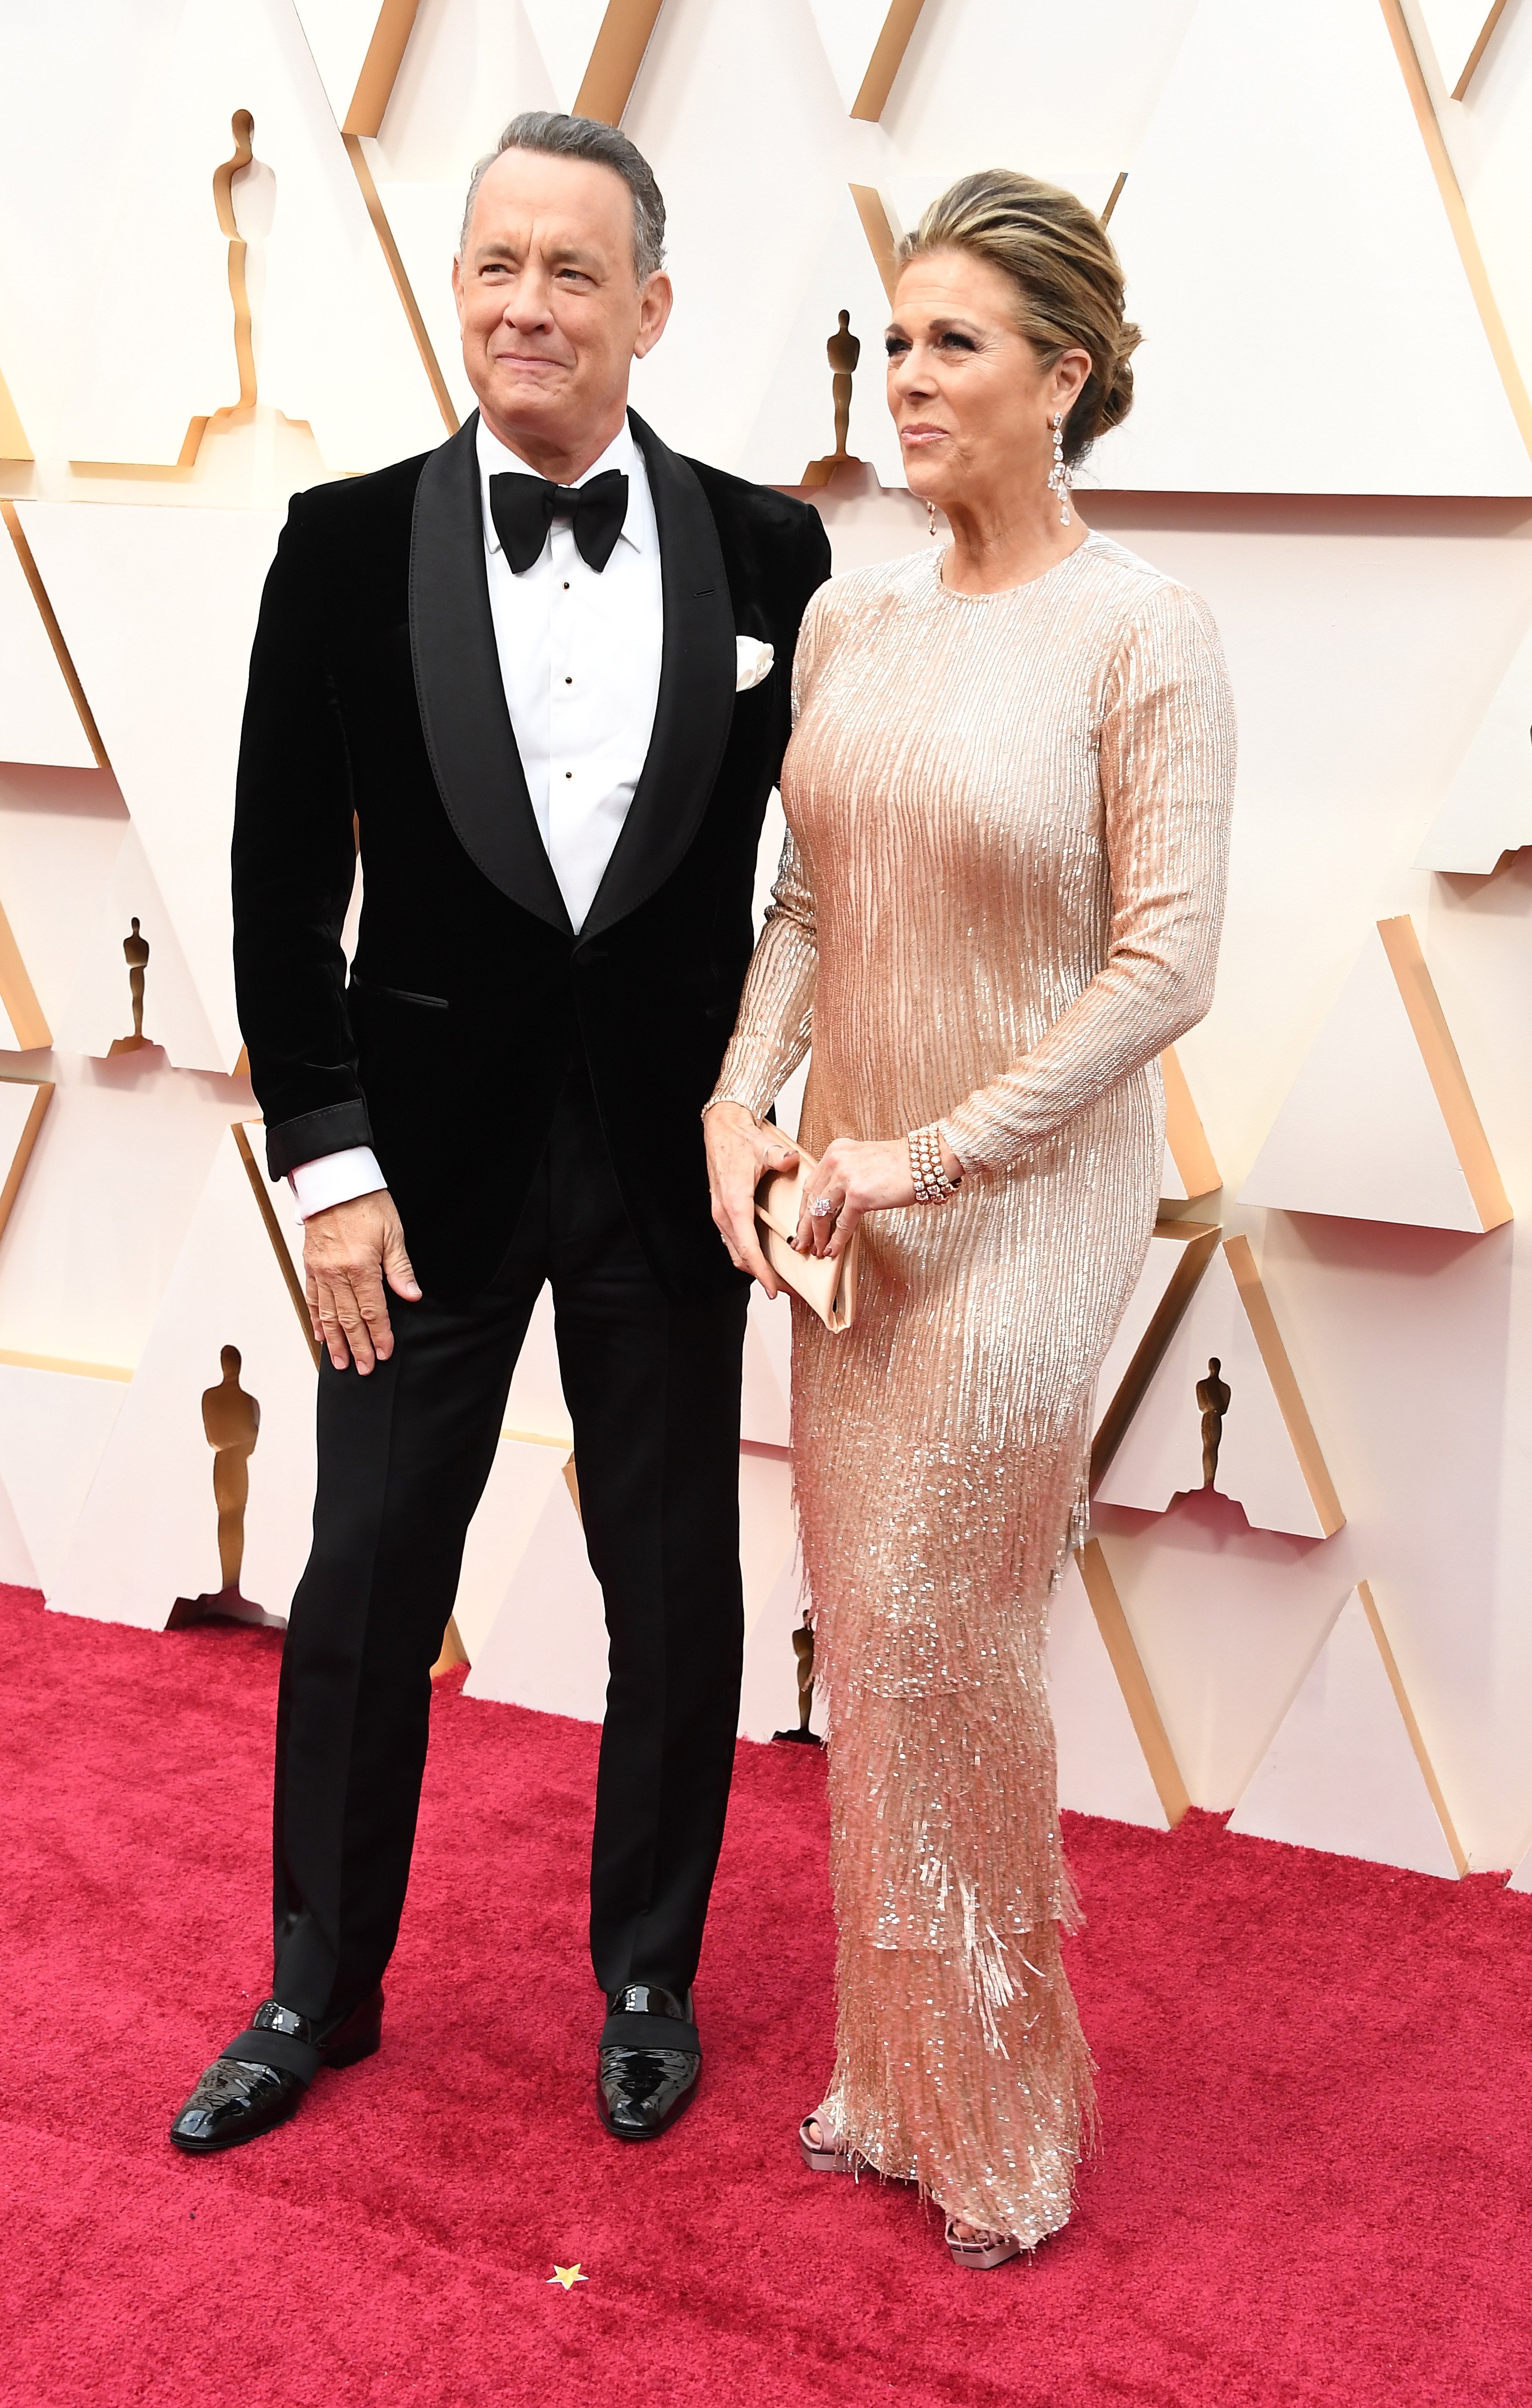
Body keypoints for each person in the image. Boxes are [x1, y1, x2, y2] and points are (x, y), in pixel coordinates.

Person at [169, 112, 829, 2157]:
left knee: (675, 1586)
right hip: (417, 1180)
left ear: (647, 305)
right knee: (362, 1572)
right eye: (492, 265)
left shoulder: (774, 553)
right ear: (455, 291)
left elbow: (828, 876)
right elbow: (280, 891)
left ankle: (645, 1970)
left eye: (570, 270)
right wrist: (329, 1165)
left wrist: (783, 1118)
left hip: (666, 1160)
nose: (524, 302)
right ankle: (315, 1983)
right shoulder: (340, 542)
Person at [705, 170, 1234, 2266]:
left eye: (950, 345)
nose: (902, 379)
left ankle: (995, 2106)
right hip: (837, 1205)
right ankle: (889, 2068)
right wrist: (744, 1102)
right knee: (870, 1631)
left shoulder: (1141, 632)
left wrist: (919, 1152)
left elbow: (1162, 969)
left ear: (1063, 377)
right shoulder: (854, 614)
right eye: (894, 337)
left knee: (944, 1627)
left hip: (1012, 1216)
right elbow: (812, 903)